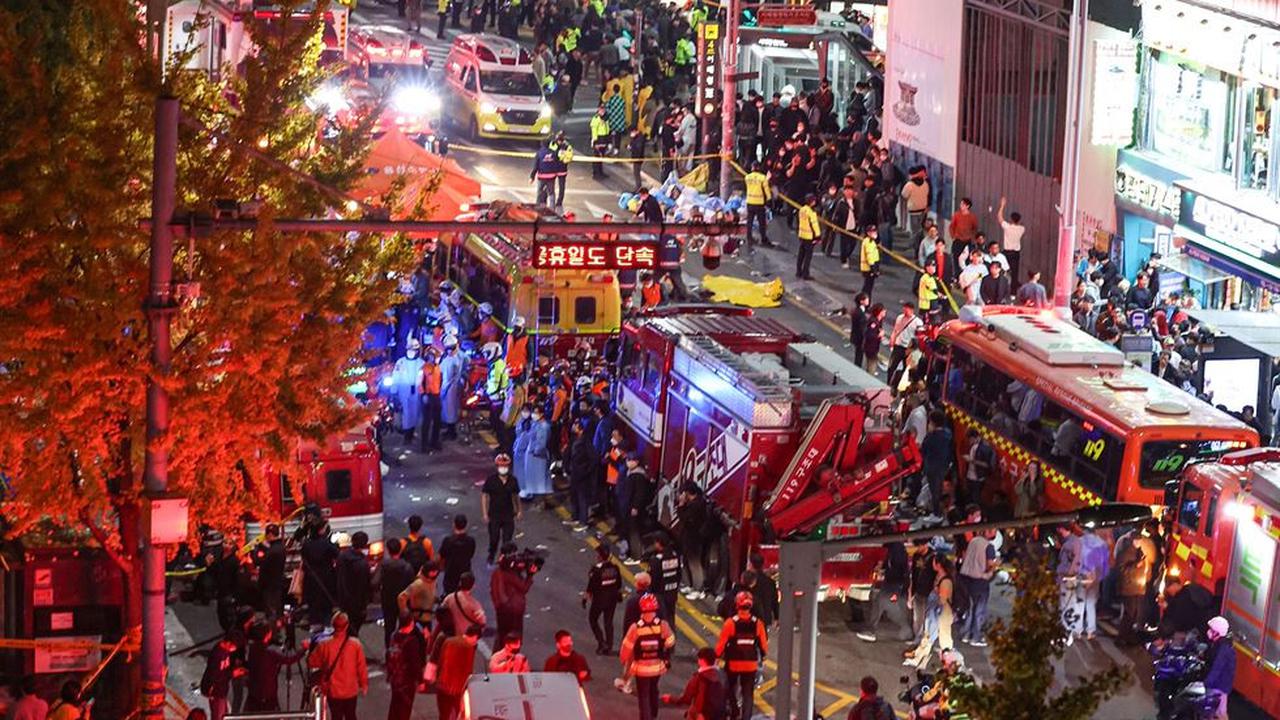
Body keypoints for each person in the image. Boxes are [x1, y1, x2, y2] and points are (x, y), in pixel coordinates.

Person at [620, 593, 676, 720]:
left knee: (643, 695)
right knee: (653, 690)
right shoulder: (662, 625)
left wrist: (624, 661)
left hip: (641, 668)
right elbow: (671, 640)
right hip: (657, 667)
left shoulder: (635, 628)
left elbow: (626, 647)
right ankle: (654, 715)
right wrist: (665, 647)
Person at [715, 591, 768, 720]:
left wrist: (716, 657)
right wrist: (764, 656)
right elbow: (763, 645)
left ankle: (734, 712)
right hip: (750, 664)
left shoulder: (730, 623)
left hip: (733, 663)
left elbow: (721, 644)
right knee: (748, 693)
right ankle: (746, 717)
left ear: (736, 605)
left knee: (730, 689)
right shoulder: (758, 624)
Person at [855, 534, 912, 643]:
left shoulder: (897, 551)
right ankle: (906, 630)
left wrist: (899, 589)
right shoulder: (893, 550)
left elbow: (900, 571)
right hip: (891, 584)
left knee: (887, 607)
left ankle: (872, 631)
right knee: (884, 605)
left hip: (894, 586)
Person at [903, 554, 954, 668]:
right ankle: (920, 658)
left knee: (935, 639)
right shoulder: (940, 577)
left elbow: (942, 600)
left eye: (934, 562)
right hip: (937, 612)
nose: (932, 564)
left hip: (941, 614)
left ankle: (921, 659)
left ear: (938, 565)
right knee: (932, 638)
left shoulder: (945, 581)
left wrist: (937, 592)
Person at [244, 620, 306, 712]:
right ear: (267, 634)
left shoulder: (253, 648)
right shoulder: (270, 651)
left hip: (254, 692)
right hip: (266, 695)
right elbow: (289, 659)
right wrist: (304, 649)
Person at [1115, 521, 1158, 645]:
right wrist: (1136, 565)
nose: (1140, 543)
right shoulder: (1125, 552)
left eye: (1140, 541)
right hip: (1128, 588)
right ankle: (1121, 638)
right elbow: (1122, 569)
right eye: (1138, 541)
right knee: (1129, 614)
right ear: (1133, 540)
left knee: (1133, 613)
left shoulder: (1139, 552)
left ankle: (1128, 636)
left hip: (1138, 587)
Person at [431, 623, 482, 720]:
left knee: (443, 715)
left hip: (442, 685)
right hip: (456, 690)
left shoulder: (449, 641)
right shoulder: (468, 648)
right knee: (458, 714)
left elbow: (440, 662)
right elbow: (468, 671)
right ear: (475, 637)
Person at [957, 528, 997, 647]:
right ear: (988, 532)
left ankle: (966, 633)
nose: (995, 533)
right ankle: (976, 636)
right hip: (979, 580)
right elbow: (989, 565)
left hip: (966, 578)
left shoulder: (973, 541)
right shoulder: (989, 547)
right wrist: (993, 569)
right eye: (994, 530)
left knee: (970, 607)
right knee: (979, 609)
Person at [661, 647, 726, 720]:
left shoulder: (699, 677)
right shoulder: (720, 675)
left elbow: (686, 699)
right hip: (718, 713)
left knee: (692, 711)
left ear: (702, 661)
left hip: (702, 714)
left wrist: (670, 699)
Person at [482, 454, 522, 565]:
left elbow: (516, 496)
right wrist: (485, 513)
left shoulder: (513, 481)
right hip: (494, 515)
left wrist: (519, 510)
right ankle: (491, 555)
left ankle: (503, 559)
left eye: (505, 466)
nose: (503, 468)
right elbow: (485, 496)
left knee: (507, 540)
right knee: (494, 538)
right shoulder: (491, 480)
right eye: (501, 466)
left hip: (508, 515)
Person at [491, 543, 537, 641]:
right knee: (513, 638)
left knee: (502, 636)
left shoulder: (498, 570)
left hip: (501, 610)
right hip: (512, 610)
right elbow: (523, 588)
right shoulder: (509, 573)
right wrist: (530, 575)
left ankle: (499, 654)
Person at [386, 612, 428, 720]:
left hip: (395, 678)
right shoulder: (411, 641)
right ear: (410, 623)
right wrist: (421, 680)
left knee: (394, 705)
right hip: (406, 681)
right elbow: (415, 663)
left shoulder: (394, 636)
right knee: (405, 709)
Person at [584, 544, 623, 654]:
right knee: (608, 622)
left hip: (599, 600)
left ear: (600, 556)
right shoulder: (615, 568)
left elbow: (590, 587)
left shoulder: (596, 571)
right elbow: (619, 584)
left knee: (593, 619)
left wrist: (585, 599)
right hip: (612, 600)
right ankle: (609, 646)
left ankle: (601, 642)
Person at [301, 523, 339, 627]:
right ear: (320, 530)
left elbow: (304, 558)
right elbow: (337, 554)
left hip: (311, 578)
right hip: (326, 578)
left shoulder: (306, 543)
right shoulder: (326, 543)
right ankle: (326, 626)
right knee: (326, 606)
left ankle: (314, 626)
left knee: (313, 604)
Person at [336, 531, 374, 638]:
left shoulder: (342, 556)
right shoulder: (362, 564)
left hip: (343, 598)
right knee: (353, 630)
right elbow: (365, 586)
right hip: (357, 602)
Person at [1202, 616, 1236, 719]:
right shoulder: (1220, 645)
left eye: (1211, 630)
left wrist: (1206, 683)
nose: (1209, 632)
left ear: (1217, 633)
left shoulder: (1223, 650)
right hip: (1220, 684)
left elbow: (1217, 668)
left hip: (1219, 686)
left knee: (1220, 713)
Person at [200, 635, 241, 720]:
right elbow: (215, 675)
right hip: (216, 692)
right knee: (218, 716)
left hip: (221, 691)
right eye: (234, 647)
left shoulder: (224, 651)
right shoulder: (217, 655)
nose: (233, 650)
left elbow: (224, 669)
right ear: (229, 643)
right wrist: (232, 674)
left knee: (223, 715)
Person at [646, 533, 683, 624]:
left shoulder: (656, 560)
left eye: (655, 542)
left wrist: (650, 593)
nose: (654, 545)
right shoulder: (675, 556)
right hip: (672, 592)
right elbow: (679, 574)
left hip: (660, 594)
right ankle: (672, 636)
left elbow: (653, 579)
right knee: (671, 617)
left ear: (659, 543)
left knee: (661, 620)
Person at [253, 523, 286, 620]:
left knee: (270, 609)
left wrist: (255, 551)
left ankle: (273, 630)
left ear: (270, 535)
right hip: (278, 581)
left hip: (269, 584)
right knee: (277, 606)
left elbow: (259, 562)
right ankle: (278, 625)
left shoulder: (272, 551)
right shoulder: (280, 547)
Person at [886, 302, 922, 392]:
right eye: (904, 309)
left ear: (912, 310)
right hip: (898, 346)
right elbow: (895, 330)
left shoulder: (918, 322)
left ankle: (898, 388)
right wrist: (892, 339)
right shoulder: (899, 318)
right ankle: (887, 385)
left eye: (907, 310)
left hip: (908, 349)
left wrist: (913, 349)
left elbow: (919, 337)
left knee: (906, 370)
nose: (905, 312)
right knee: (891, 367)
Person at [440, 573, 487, 638]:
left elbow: (441, 613)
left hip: (450, 636)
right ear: (473, 586)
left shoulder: (449, 598)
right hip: (466, 638)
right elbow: (482, 622)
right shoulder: (475, 604)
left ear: (460, 583)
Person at [438, 514, 476, 595]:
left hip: (450, 573)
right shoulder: (471, 541)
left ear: (454, 524)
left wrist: (442, 568)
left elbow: (442, 556)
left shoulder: (448, 541)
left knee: (449, 595)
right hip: (465, 573)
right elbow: (471, 555)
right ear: (466, 525)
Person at [398, 561, 440, 632]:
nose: (434, 573)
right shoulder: (418, 584)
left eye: (436, 571)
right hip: (419, 619)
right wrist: (405, 613)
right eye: (433, 571)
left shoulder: (433, 581)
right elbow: (401, 597)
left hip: (428, 617)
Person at [743, 163, 772, 251]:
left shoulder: (747, 177)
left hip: (749, 202)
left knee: (749, 221)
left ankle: (749, 237)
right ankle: (763, 238)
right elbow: (766, 190)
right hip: (759, 203)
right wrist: (769, 199)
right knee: (761, 222)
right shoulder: (762, 178)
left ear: (752, 168)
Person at [997, 197, 1024, 282]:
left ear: (1011, 219)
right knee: (1015, 272)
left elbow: (999, 217)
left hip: (1007, 252)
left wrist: (1002, 206)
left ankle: (1003, 285)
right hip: (1016, 253)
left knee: (1004, 269)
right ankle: (1013, 292)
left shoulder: (1007, 227)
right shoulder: (1022, 229)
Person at [748, 553, 778, 629]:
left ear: (751, 565)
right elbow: (775, 601)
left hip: (750, 617)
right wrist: (777, 617)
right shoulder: (770, 582)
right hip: (765, 618)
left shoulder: (748, 580)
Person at [796, 193, 821, 279]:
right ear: (812, 202)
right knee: (808, 256)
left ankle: (798, 271)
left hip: (801, 235)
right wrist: (818, 236)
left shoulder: (802, 210)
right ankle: (805, 274)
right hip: (809, 237)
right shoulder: (811, 213)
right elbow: (815, 225)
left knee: (801, 254)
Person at [859, 225, 882, 298]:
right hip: (868, 268)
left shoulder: (871, 241)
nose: (875, 233)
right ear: (868, 233)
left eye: (875, 231)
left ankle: (865, 301)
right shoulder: (869, 242)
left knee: (868, 287)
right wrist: (873, 269)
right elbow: (870, 256)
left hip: (868, 267)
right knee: (867, 288)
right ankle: (864, 302)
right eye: (872, 231)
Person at [590, 106, 611, 179]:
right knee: (596, 157)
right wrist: (595, 141)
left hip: (604, 138)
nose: (602, 111)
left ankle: (601, 172)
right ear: (598, 110)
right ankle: (596, 173)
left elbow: (607, 128)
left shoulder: (606, 118)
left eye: (603, 109)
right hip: (598, 139)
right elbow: (594, 130)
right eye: (601, 110)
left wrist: (609, 139)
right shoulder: (596, 119)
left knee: (601, 156)